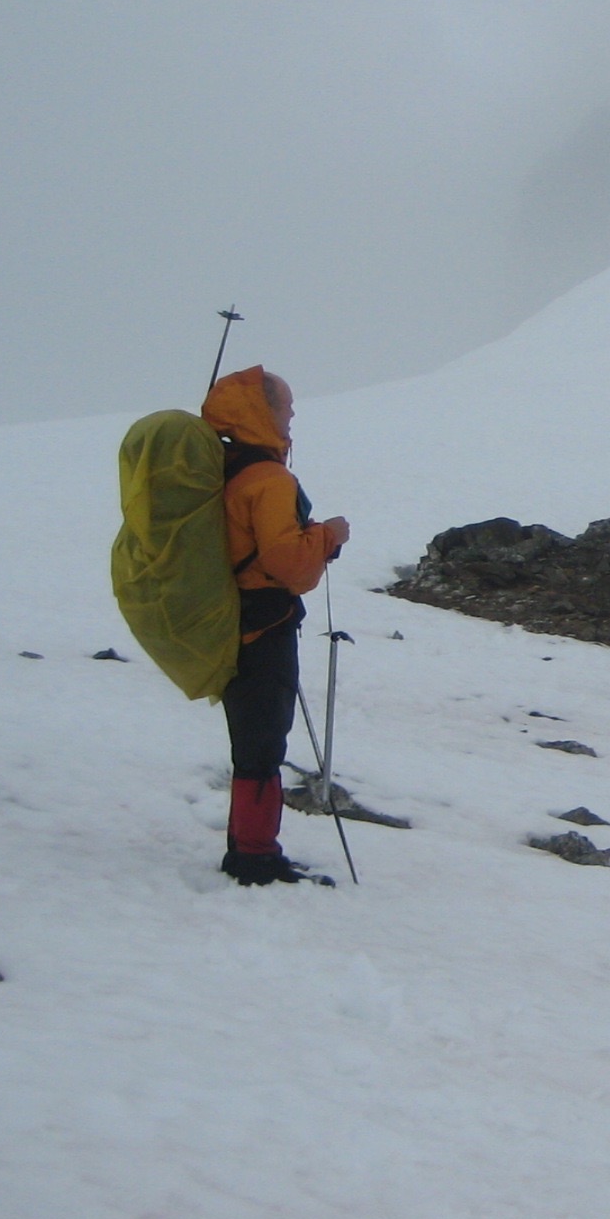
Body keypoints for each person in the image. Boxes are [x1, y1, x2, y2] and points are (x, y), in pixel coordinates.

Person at [200, 366, 350, 885]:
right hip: (264, 624)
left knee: (251, 738)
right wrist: (329, 535)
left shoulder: (227, 470)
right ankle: (255, 857)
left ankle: (246, 847)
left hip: (230, 619)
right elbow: (288, 563)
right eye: (284, 408)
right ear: (261, 414)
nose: (291, 417)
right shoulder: (267, 479)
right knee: (264, 741)